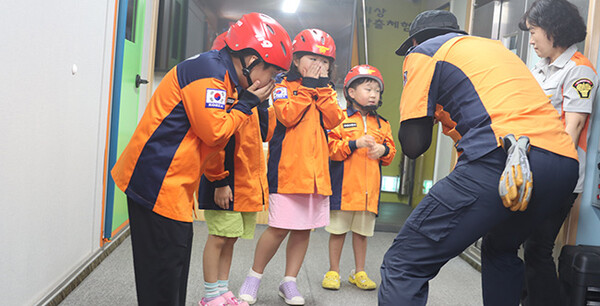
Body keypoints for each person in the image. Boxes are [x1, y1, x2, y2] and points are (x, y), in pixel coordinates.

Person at [378, 10, 579, 306]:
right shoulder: (495, 51)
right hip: (562, 164)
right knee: (500, 249)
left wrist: (424, 108)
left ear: (416, 41)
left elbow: (414, 145)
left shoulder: (423, 52)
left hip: (504, 158)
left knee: (404, 262)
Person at [110, 12, 292, 306]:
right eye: (273, 72)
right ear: (250, 59)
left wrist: (249, 102)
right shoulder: (208, 72)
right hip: (156, 179)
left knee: (172, 262)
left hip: (173, 181)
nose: (273, 80)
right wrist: (247, 104)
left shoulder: (224, 76)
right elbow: (215, 133)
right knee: (164, 267)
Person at [237, 29, 344, 305]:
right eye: (311, 58)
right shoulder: (283, 86)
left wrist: (321, 89)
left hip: (317, 176)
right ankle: (254, 276)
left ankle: (289, 281)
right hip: (287, 172)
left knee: (303, 230)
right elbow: (286, 116)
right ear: (296, 61)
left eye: (325, 61)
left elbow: (334, 121)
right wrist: (308, 85)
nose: (319, 66)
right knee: (278, 228)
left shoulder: (327, 92)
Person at [518, 1, 598, 305]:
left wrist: (550, 175)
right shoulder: (540, 68)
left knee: (538, 248)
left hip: (558, 176)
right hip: (535, 169)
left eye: (534, 31)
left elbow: (573, 129)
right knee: (530, 246)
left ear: (554, 29)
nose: (532, 39)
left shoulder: (579, 70)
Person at [321, 65, 396, 291]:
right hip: (343, 191)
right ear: (351, 93)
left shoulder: (383, 123)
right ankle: (333, 271)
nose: (374, 94)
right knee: (337, 232)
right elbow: (331, 149)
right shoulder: (339, 119)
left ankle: (359, 272)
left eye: (377, 91)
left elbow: (391, 151)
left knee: (362, 235)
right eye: (368, 89)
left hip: (368, 194)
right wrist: (354, 144)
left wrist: (383, 151)